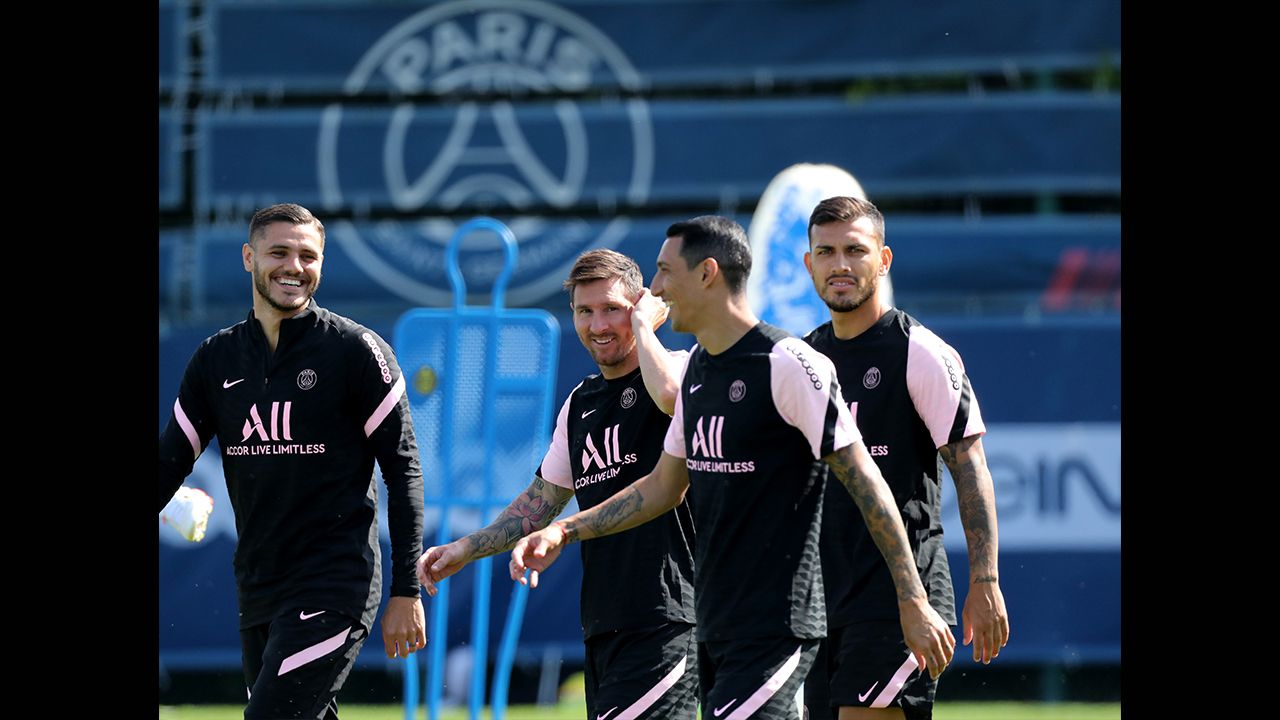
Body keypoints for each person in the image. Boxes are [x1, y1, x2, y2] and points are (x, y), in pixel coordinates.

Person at [510, 216, 955, 720]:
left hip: (778, 626)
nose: (654, 290)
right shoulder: (701, 370)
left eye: (663, 272)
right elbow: (660, 488)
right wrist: (564, 530)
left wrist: (913, 598)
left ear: (707, 274)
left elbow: (868, 485)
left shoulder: (788, 361)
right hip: (718, 627)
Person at [158, 203, 426, 719]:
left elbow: (403, 470)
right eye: (279, 252)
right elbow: (170, 463)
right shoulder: (216, 359)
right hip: (258, 585)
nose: (294, 266)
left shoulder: (357, 351)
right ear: (247, 257)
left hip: (335, 582)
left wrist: (406, 591)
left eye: (308, 255)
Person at [417, 249, 698, 719]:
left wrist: (647, 329)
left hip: (668, 614)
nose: (598, 325)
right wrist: (465, 548)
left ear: (644, 305)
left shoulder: (682, 371)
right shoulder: (581, 403)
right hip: (604, 620)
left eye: (612, 309)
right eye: (585, 311)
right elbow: (540, 502)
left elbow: (670, 398)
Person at [801, 196, 1010, 720]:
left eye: (855, 250)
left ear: (885, 259)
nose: (840, 265)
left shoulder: (920, 352)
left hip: (899, 595)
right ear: (809, 263)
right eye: (825, 252)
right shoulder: (802, 359)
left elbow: (970, 468)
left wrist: (984, 580)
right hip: (817, 603)